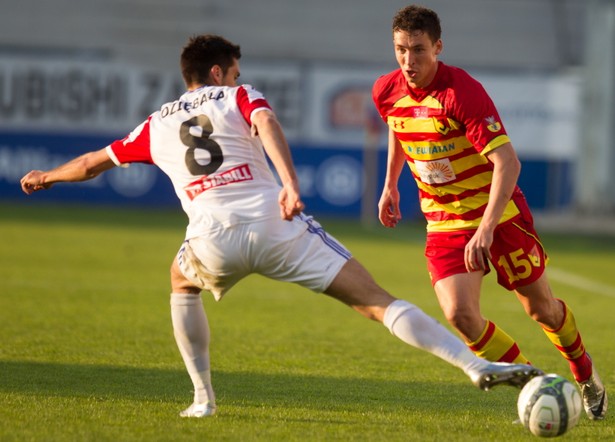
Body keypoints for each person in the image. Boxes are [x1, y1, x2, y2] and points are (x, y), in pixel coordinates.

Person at [20, 34, 542, 419]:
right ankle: (473, 365)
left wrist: (48, 176)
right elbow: (266, 122)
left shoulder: (155, 123)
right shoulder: (237, 97)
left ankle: (202, 399)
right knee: (378, 302)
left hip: (209, 241)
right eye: (237, 72)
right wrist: (290, 183)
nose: (240, 79)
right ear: (222, 72)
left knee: (180, 284)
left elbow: (91, 163)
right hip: (277, 224)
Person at [372, 5, 607, 421]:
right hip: (444, 220)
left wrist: (485, 229)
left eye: (419, 50)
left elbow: (508, 163)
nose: (409, 61)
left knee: (542, 310)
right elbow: (396, 125)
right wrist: (391, 183)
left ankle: (585, 375)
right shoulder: (386, 90)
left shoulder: (461, 92)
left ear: (438, 47)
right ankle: (536, 383)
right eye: (401, 50)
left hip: (498, 215)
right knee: (461, 316)